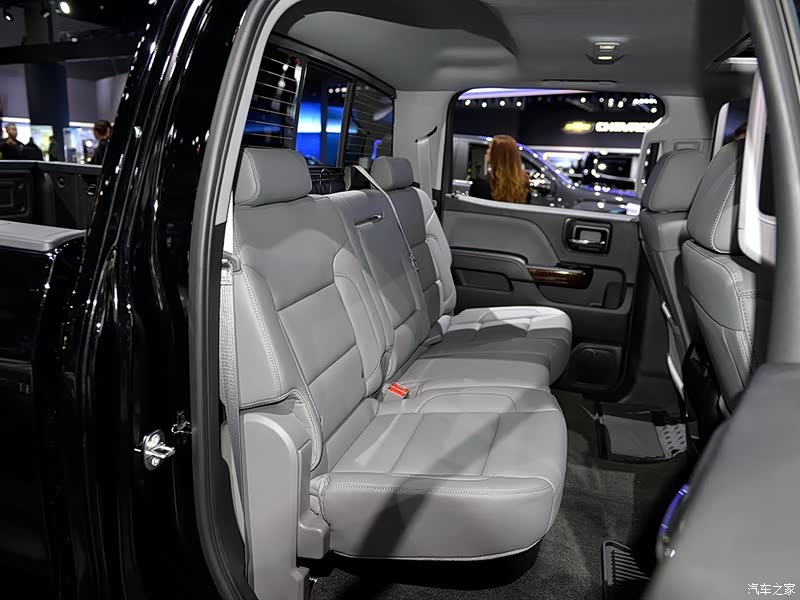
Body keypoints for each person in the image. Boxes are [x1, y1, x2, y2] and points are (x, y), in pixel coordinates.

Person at [469, 134, 530, 204]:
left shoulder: (481, 184)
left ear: (497, 154)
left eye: (490, 148)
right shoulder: (524, 184)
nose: (487, 151)